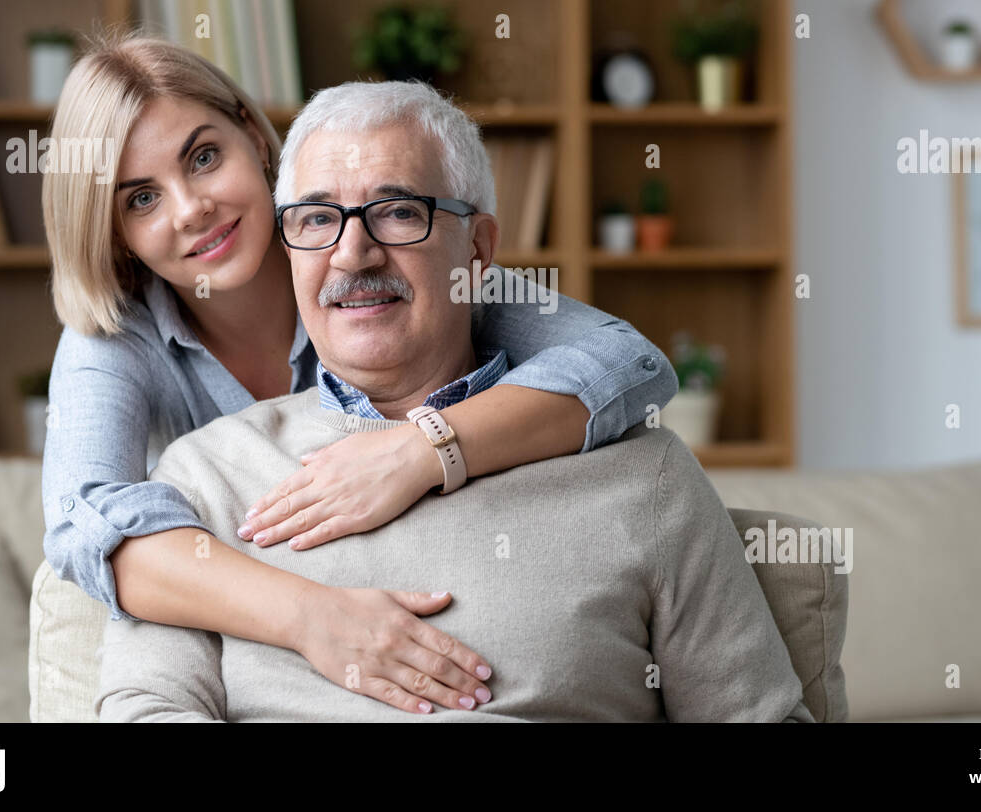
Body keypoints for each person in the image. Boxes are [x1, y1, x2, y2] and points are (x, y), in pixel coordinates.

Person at [95, 78, 813, 721]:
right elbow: (145, 709)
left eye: (399, 212)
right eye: (316, 219)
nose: (353, 254)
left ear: (479, 250)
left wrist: (431, 445)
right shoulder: (205, 478)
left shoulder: (644, 475)